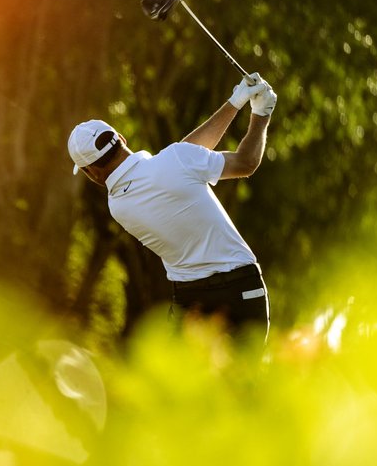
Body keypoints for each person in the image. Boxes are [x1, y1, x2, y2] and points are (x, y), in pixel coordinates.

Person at [68, 74, 277, 340]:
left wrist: (235, 103)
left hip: (191, 303)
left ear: (91, 172)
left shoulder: (118, 206)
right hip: (243, 290)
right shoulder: (178, 159)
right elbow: (244, 162)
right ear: (121, 138)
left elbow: (181, 157)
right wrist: (260, 114)